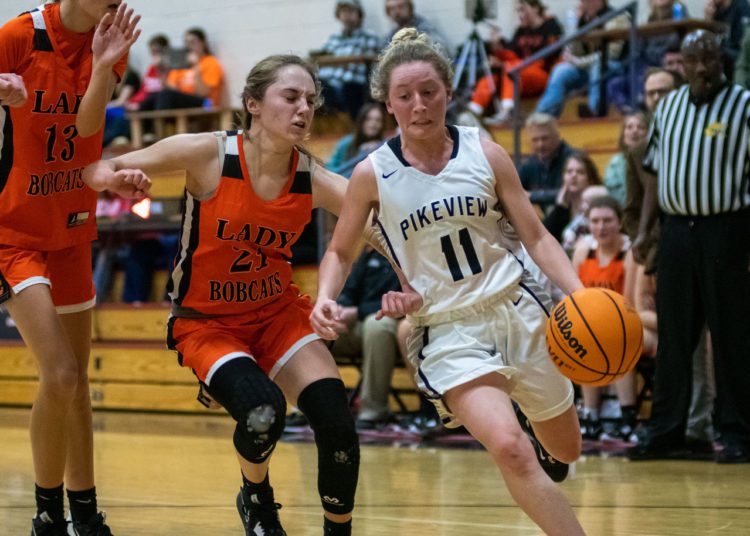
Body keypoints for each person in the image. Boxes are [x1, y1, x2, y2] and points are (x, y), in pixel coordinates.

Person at [310, 28, 585, 534]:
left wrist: (580, 293)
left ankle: (542, 436)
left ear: (448, 92)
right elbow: (340, 251)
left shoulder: (487, 153)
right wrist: (325, 296)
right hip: (447, 329)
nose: (418, 105)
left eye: (429, 91)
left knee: (566, 449)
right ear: (388, 104)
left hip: (517, 306)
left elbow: (537, 236)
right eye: (405, 95)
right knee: (510, 448)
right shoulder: (373, 174)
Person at [84, 54, 364, 536]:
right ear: (253, 103)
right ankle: (256, 497)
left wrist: (416, 272)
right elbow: (98, 167)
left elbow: (378, 225)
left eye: (311, 100)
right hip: (207, 321)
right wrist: (116, 179)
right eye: (291, 97)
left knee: (337, 424)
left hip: (277, 315)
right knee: (263, 413)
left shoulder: (312, 177)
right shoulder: (208, 154)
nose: (304, 109)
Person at [0, 2, 143, 534]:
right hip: (11, 234)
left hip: (71, 227)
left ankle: (85, 514)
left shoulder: (112, 38)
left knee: (77, 382)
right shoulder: (20, 34)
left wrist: (104, 63)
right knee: (59, 373)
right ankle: (46, 514)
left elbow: (86, 131)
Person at [631, 30, 750, 463]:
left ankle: (737, 432)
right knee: (675, 335)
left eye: (710, 58)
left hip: (727, 229)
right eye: (694, 59)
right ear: (681, 63)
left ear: (722, 60)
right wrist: (645, 229)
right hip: (677, 231)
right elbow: (653, 173)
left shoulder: (744, 105)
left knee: (731, 335)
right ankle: (667, 430)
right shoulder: (669, 108)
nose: (702, 67)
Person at [571, 196, 638, 440]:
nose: (601, 227)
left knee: (617, 342)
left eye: (607, 220)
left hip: (626, 322)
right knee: (583, 341)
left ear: (620, 222)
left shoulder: (629, 252)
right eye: (595, 221)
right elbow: (573, 298)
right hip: (591, 324)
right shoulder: (583, 251)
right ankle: (590, 417)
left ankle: (628, 419)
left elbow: (629, 303)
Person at [327, 246, 402, 429]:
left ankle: (373, 411)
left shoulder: (412, 253)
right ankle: (307, 408)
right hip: (359, 325)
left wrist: (357, 312)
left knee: (376, 325)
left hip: (396, 323)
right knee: (318, 327)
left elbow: (404, 300)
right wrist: (339, 310)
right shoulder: (371, 252)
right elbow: (350, 289)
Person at [467, 0, 563, 126]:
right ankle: (472, 113)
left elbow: (549, 55)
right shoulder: (521, 30)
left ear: (535, 8)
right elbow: (511, 53)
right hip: (519, 74)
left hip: (542, 74)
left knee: (511, 68)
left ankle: (507, 111)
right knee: (491, 77)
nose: (520, 15)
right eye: (518, 11)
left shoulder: (551, 26)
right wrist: (497, 48)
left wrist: (508, 63)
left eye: (522, 9)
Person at [535, 0, 630, 118]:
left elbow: (611, 54)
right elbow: (575, 52)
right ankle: (544, 116)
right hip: (587, 66)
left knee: (598, 67)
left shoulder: (616, 17)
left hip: (616, 65)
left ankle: (595, 111)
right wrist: (577, 25)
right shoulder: (585, 20)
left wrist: (580, 62)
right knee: (561, 70)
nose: (583, 4)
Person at [316, 0, 383, 119]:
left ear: (359, 14)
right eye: (343, 11)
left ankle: (357, 125)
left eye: (351, 11)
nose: (347, 15)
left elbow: (375, 68)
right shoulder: (332, 39)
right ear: (338, 15)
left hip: (355, 88)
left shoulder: (369, 37)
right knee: (315, 85)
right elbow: (320, 62)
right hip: (330, 88)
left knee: (350, 88)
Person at [141, 27, 224, 110]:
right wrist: (161, 71)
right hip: (185, 101)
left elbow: (202, 93)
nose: (189, 46)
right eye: (186, 42)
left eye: (193, 42)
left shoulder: (210, 62)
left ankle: (162, 119)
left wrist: (196, 65)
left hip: (206, 104)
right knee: (151, 100)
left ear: (203, 43)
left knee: (165, 95)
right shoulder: (182, 65)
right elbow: (172, 89)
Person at [543, 151, 603, 245]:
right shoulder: (562, 210)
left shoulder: (598, 207)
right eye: (569, 171)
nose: (574, 175)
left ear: (590, 179)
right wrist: (560, 207)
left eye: (580, 172)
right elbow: (544, 238)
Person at [518, 112, 576, 210]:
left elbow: (570, 193)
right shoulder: (529, 164)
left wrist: (532, 196)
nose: (540, 144)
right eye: (535, 140)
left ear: (557, 136)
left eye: (544, 138)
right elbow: (516, 192)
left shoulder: (574, 159)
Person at [326, 102, 387, 177]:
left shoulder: (384, 146)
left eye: (378, 120)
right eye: (368, 119)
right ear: (361, 121)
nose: (373, 124)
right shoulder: (346, 142)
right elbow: (330, 169)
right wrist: (360, 152)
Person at [603, 111, 648, 206]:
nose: (635, 131)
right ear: (623, 135)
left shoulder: (654, 161)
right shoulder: (615, 163)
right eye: (629, 127)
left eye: (641, 127)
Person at [704, 0, 750, 80]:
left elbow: (741, 44)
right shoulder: (716, 10)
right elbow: (709, 39)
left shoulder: (741, 6)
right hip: (723, 54)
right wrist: (709, 20)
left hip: (738, 55)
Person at [384, 0, 449, 52]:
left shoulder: (425, 27)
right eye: (391, 9)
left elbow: (440, 48)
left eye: (401, 7)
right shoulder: (391, 35)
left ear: (410, 8)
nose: (397, 12)